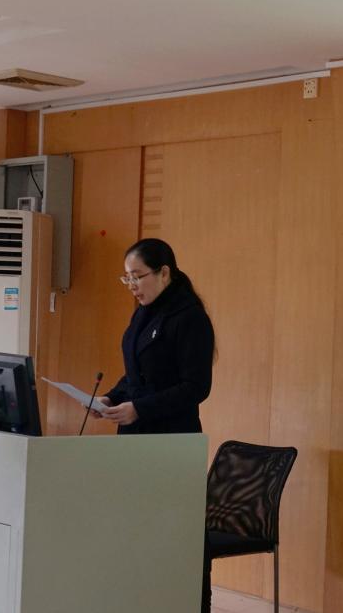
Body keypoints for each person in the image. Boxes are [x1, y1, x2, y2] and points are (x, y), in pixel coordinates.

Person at [94, 237, 216, 612]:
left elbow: (196, 387)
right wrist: (111, 398)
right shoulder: (143, 314)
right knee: (135, 533)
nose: (132, 285)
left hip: (171, 442)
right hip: (136, 440)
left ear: (164, 273)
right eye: (126, 278)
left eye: (138, 276)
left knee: (172, 537)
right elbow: (136, 373)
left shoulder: (190, 318)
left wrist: (140, 409)